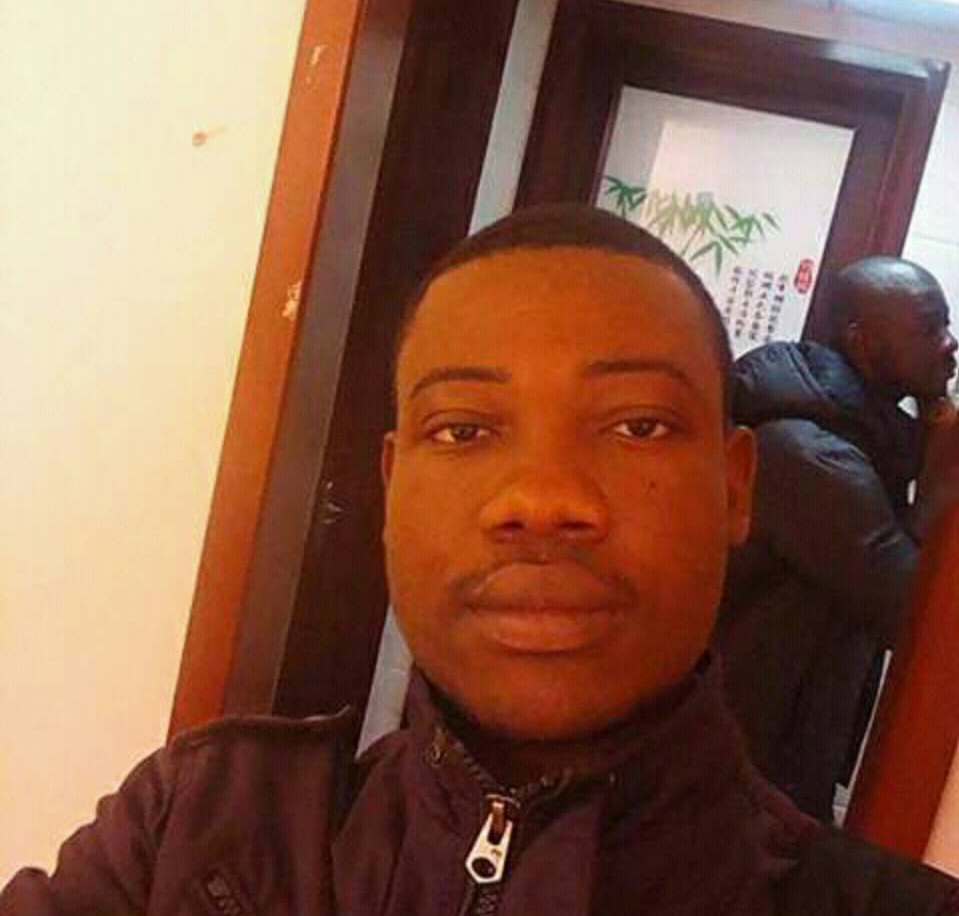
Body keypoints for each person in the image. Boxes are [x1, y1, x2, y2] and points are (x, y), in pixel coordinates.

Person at [3, 208, 957, 915]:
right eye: (462, 428)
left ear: (735, 487)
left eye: (636, 424)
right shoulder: (193, 827)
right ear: (390, 483)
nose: (541, 498)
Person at [717, 257, 958, 822]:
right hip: (745, 767)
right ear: (862, 340)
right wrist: (942, 482)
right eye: (930, 328)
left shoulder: (857, 436)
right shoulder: (811, 457)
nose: (950, 344)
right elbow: (908, 608)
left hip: (772, 757)